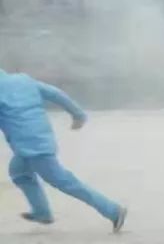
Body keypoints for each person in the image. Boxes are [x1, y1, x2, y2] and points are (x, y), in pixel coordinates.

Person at [0, 69, 127, 231]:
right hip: (40, 140)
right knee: (19, 173)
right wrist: (78, 114)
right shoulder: (23, 81)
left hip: (32, 148)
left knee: (65, 182)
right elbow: (56, 94)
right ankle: (42, 213)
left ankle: (113, 211)